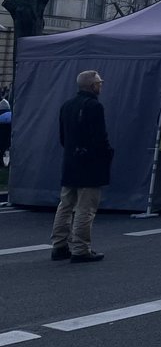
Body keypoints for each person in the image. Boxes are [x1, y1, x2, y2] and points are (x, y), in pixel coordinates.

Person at [50, 70, 113, 263]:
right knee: (86, 207)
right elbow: (100, 138)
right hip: (90, 164)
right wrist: (106, 154)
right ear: (92, 86)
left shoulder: (67, 105)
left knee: (65, 205)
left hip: (70, 162)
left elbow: (63, 137)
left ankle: (59, 245)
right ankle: (80, 249)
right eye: (99, 83)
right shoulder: (94, 106)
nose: (100, 85)